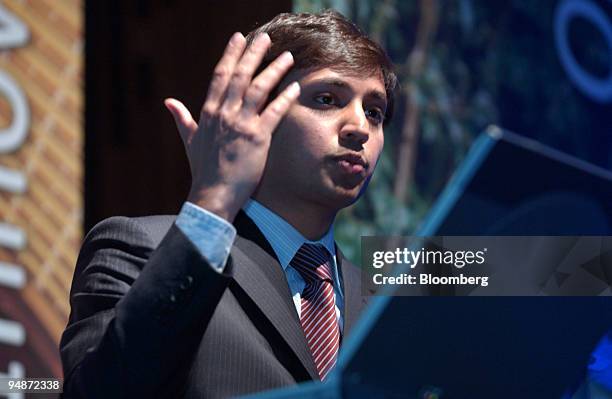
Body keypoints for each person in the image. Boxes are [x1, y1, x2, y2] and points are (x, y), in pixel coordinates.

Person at [60, 9, 396, 399]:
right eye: (327, 99)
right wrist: (214, 200)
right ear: (251, 113)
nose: (360, 127)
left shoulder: (386, 303)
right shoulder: (141, 247)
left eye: (375, 112)